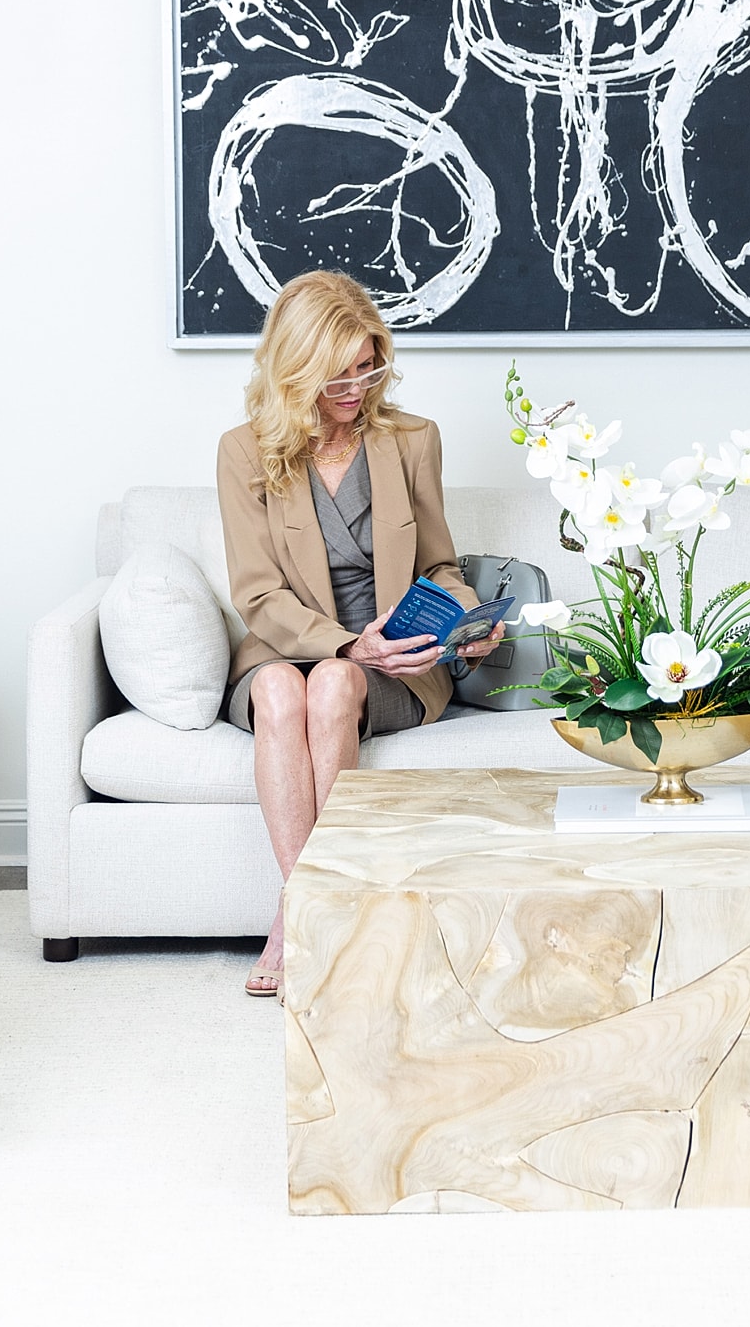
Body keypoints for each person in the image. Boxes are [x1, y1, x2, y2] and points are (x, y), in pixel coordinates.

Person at [215, 271, 499, 997]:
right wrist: (343, 642)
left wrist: (463, 620)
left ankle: (306, 913)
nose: (355, 389)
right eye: (335, 376)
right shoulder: (244, 451)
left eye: (367, 368)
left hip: (393, 656)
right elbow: (256, 592)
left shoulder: (411, 440)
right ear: (294, 369)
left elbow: (439, 562)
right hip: (286, 640)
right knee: (282, 690)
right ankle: (307, 905)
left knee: (337, 683)